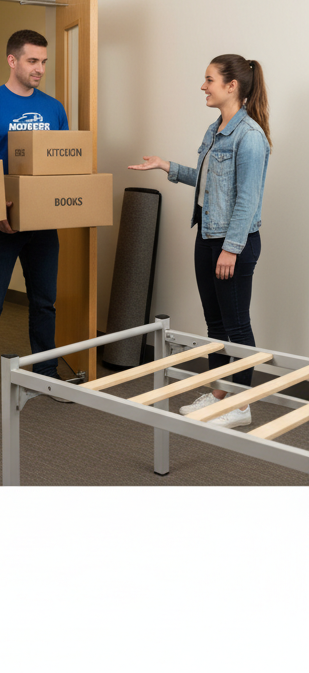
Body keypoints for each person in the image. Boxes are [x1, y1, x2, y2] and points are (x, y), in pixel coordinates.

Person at [129, 54, 270, 428]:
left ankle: (242, 403)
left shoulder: (250, 137)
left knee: (237, 325)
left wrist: (231, 247)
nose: (203, 86)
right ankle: (220, 392)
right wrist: (165, 166)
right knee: (215, 322)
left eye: (209, 80)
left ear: (232, 86)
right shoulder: (215, 129)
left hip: (232, 243)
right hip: (207, 236)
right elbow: (210, 183)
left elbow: (247, 200)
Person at [0, 30, 69, 417]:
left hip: (42, 225)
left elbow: (62, 166)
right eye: (32, 61)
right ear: (12, 60)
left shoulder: (54, 109)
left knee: (44, 302)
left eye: (44, 61)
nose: (40, 68)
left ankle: (46, 373)